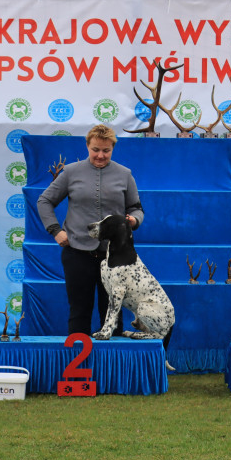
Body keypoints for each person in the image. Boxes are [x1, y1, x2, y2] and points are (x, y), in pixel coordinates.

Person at [37, 124, 145, 335]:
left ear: (113, 148)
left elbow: (136, 208)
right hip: (77, 253)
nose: (100, 155)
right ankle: (78, 360)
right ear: (87, 146)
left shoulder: (125, 174)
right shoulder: (70, 172)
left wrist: (134, 220)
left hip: (115, 257)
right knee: (79, 312)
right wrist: (55, 230)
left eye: (106, 150)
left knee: (113, 313)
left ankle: (112, 366)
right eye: (96, 149)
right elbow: (44, 201)